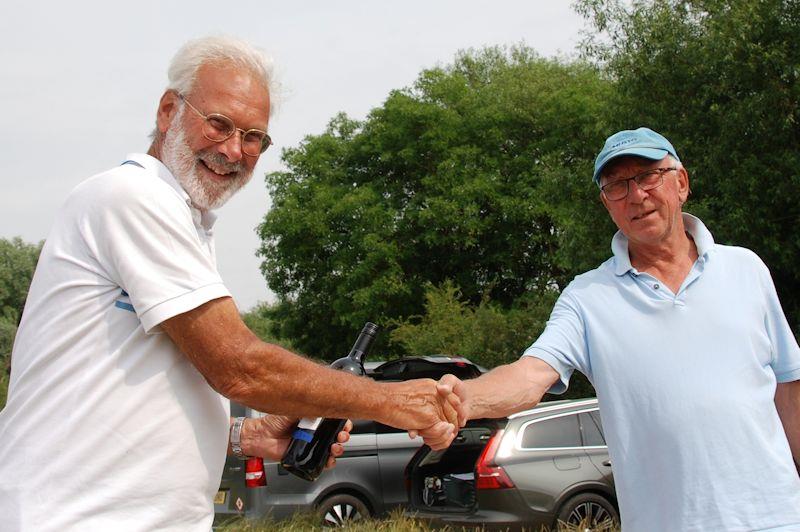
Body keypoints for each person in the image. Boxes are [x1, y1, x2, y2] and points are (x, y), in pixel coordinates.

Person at [0, 36, 461, 531]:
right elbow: (239, 368)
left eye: (253, 137)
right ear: (168, 110)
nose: (232, 150)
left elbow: (140, 394)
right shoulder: (131, 196)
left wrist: (248, 436)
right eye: (218, 124)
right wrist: (394, 401)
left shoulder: (187, 222)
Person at [439, 127, 800, 531]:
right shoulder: (588, 297)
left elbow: (787, 387)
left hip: (777, 518)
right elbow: (530, 375)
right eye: (616, 186)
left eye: (648, 176)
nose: (635, 195)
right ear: (606, 205)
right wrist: (463, 398)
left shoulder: (746, 268)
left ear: (681, 183)